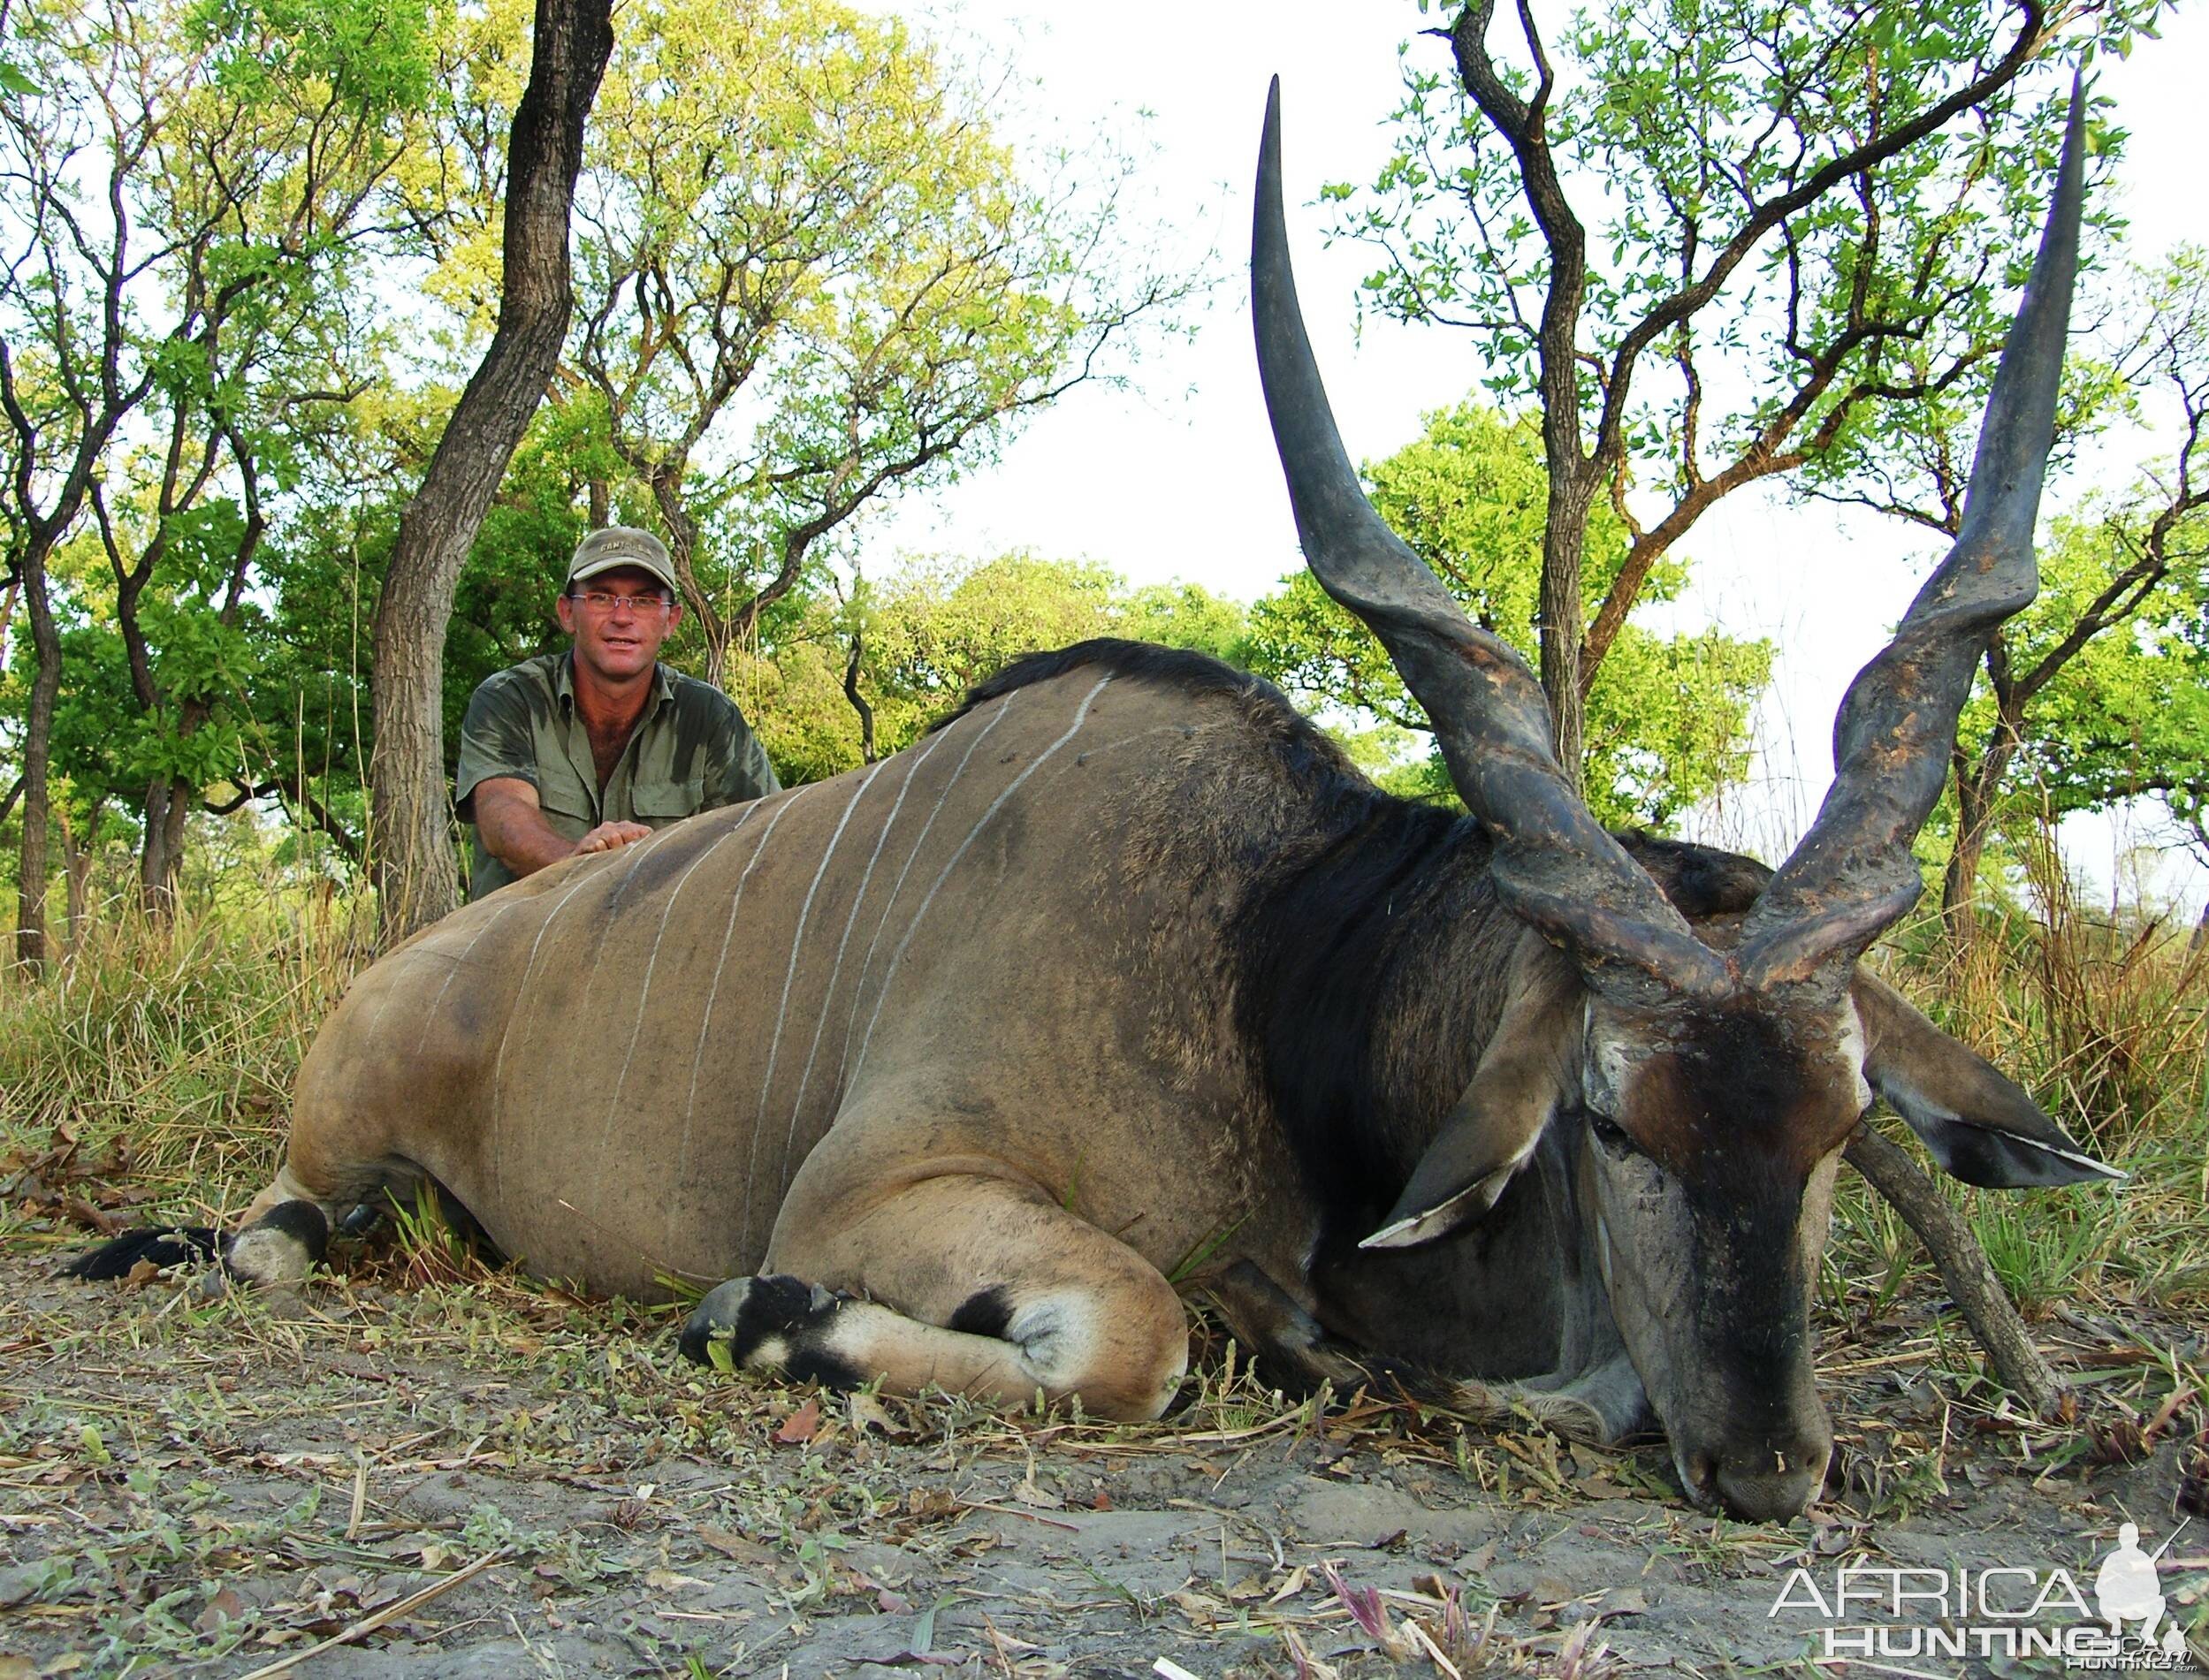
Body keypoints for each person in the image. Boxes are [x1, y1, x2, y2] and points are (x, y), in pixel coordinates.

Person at [454, 527, 779, 900]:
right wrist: (577, 863)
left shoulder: (710, 718)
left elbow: (764, 837)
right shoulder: (510, 698)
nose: (622, 618)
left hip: (661, 946)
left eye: (642, 601)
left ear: (671, 620)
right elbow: (502, 815)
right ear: (567, 613)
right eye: (601, 598)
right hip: (521, 940)